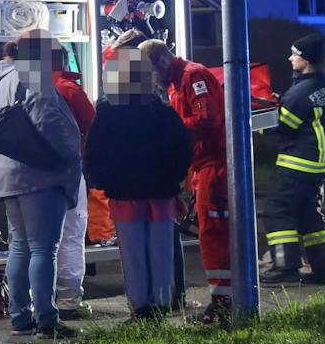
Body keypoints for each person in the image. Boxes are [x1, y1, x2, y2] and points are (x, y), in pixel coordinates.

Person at [84, 50, 194, 319]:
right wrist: (175, 177)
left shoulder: (108, 113)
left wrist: (101, 181)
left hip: (125, 194)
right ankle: (162, 301)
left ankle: (140, 307)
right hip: (161, 193)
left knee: (132, 254)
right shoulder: (162, 111)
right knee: (161, 251)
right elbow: (183, 148)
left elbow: (95, 152)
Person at [0, 30, 84, 339]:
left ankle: (19, 317)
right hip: (38, 175)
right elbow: (47, 120)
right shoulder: (32, 75)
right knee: (44, 248)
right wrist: (71, 152)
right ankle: (46, 318)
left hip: (7, 174)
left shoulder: (3, 78)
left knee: (19, 246)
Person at [139, 38, 230, 322]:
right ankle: (223, 297)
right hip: (204, 167)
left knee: (213, 233)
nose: (151, 80)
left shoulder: (193, 76)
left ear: (162, 62)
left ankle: (225, 300)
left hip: (215, 167)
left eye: (150, 73)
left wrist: (169, 131)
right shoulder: (178, 82)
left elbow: (206, 120)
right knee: (210, 232)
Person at [262, 33, 325, 284]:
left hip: (298, 161)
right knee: (309, 213)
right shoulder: (324, 83)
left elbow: (284, 127)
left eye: (294, 54)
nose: (290, 58)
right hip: (319, 160)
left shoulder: (299, 93)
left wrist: (261, 120)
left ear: (305, 60)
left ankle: (285, 267)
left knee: (278, 209)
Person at [50, 45, 96, 317]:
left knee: (40, 239)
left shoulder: (29, 86)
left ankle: (41, 298)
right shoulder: (69, 88)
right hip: (67, 170)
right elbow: (90, 122)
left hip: (34, 173)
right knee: (71, 233)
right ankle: (68, 301)